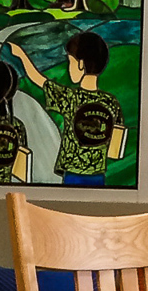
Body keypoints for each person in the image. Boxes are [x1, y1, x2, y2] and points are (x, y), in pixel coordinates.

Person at [8, 30, 123, 187]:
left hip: (73, 175)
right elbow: (117, 139)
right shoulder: (111, 102)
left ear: (81, 64)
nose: (69, 67)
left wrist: (21, 55)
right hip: (99, 175)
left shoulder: (70, 98)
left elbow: (38, 79)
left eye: (70, 62)